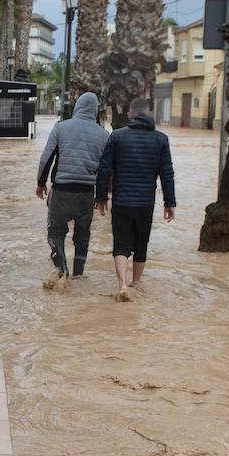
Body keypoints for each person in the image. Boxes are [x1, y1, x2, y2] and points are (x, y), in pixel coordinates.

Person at [95, 97, 176, 301]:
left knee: (121, 244)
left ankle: (122, 284)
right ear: (148, 113)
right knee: (141, 244)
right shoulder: (161, 139)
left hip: (122, 201)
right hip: (145, 202)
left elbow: (105, 169)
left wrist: (101, 197)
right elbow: (167, 173)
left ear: (130, 113)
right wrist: (170, 203)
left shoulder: (117, 137)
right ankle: (136, 283)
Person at [36, 91, 110, 287]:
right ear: (95, 111)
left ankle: (62, 271)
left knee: (55, 233)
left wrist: (40, 183)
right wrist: (101, 196)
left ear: (77, 106)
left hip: (61, 191)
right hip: (87, 193)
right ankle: (78, 274)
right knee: (82, 235)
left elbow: (47, 157)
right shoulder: (104, 135)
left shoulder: (61, 127)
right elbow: (106, 170)